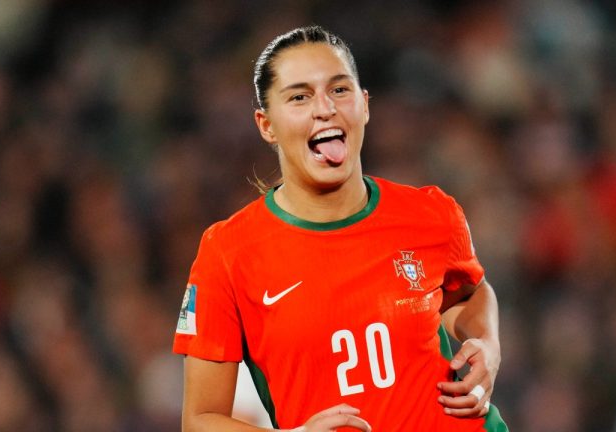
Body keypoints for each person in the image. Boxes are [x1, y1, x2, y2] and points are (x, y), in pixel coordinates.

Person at [173, 25, 508, 432]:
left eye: (339, 90)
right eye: (299, 97)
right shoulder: (228, 252)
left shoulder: (431, 213)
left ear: (364, 105)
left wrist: (487, 344)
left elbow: (468, 293)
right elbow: (200, 420)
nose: (324, 108)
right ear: (267, 125)